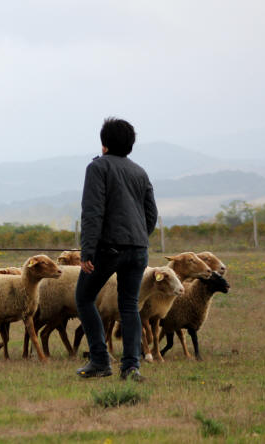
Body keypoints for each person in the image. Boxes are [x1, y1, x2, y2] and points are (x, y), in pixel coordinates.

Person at [75, 117, 157, 381]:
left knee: (84, 298)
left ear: (104, 143)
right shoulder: (140, 172)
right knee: (130, 306)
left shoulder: (98, 168)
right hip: (138, 248)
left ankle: (100, 360)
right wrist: (140, 237)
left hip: (108, 248)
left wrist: (87, 251)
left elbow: (92, 211)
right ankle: (131, 366)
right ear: (130, 145)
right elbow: (151, 214)